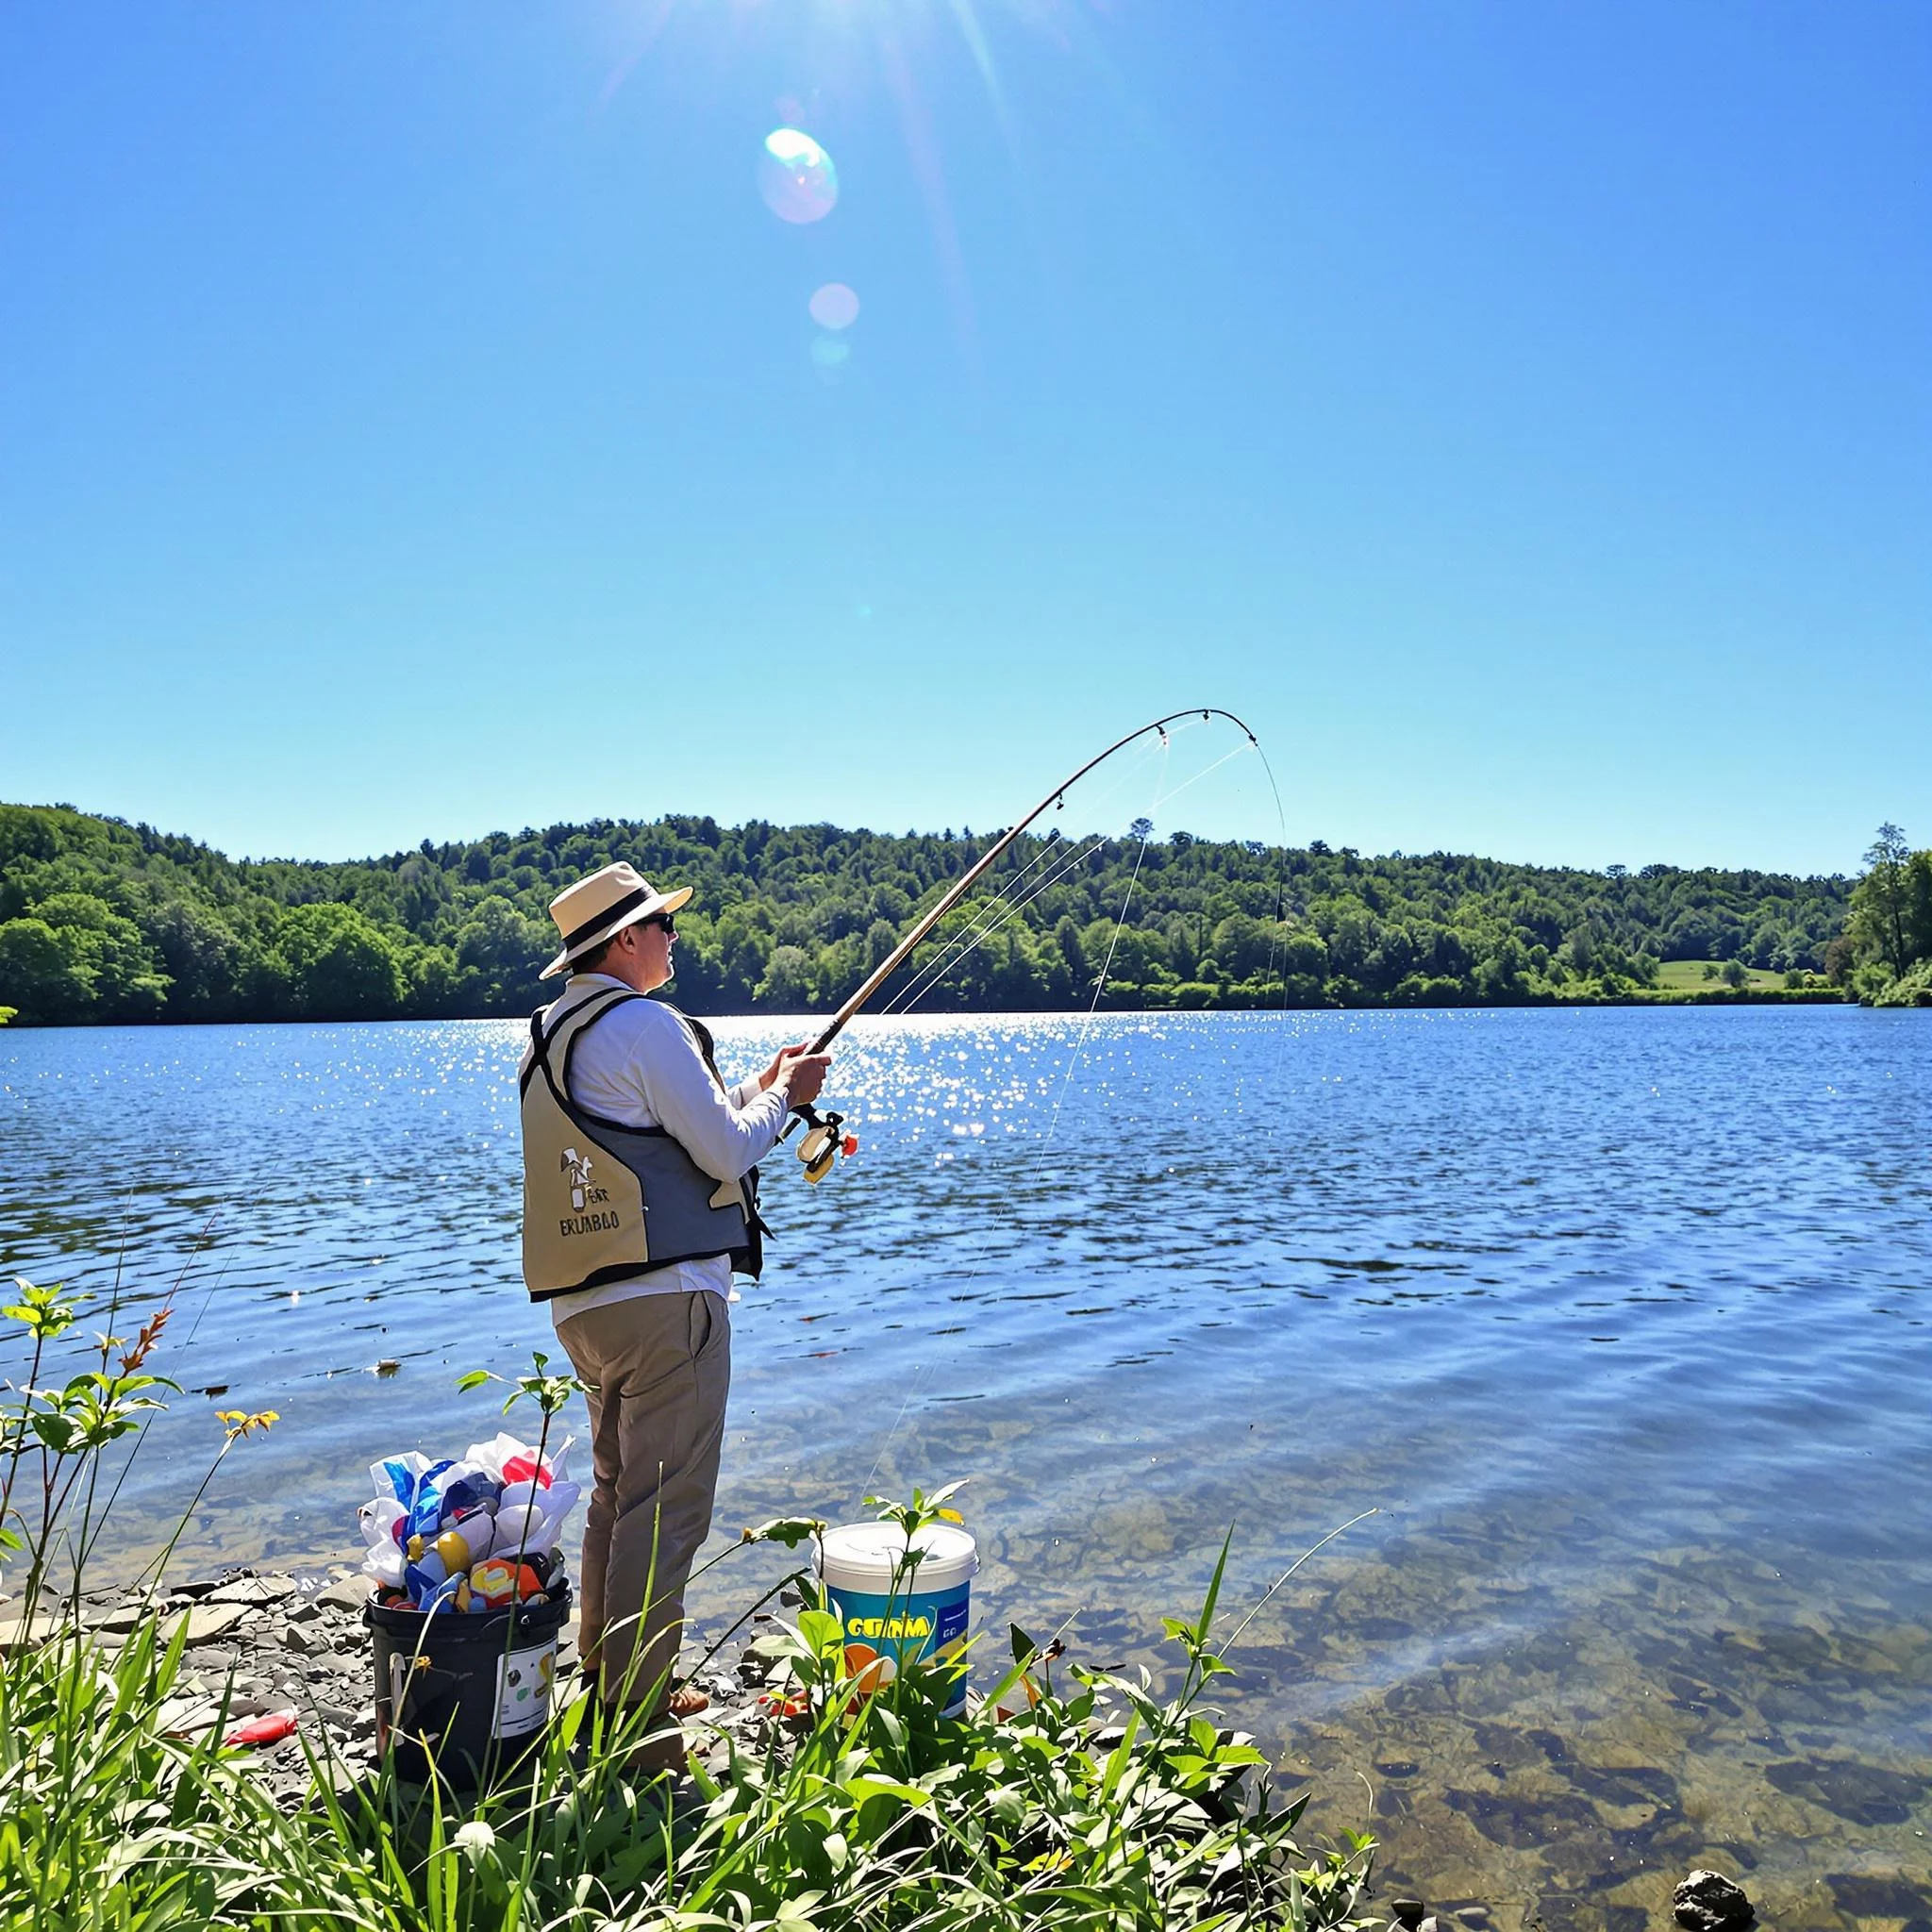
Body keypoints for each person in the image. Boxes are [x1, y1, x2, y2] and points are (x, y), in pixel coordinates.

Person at [518, 861, 829, 1769]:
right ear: (626, 939)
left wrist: (763, 1087)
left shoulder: (549, 1035)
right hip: (666, 1304)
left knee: (618, 1497)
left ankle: (609, 1682)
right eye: (663, 925)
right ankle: (642, 1727)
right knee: (667, 1510)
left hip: (586, 1309)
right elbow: (727, 1151)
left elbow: (675, 1131)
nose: (673, 938)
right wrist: (788, 1099)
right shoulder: (646, 1024)